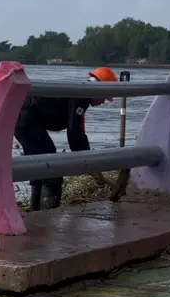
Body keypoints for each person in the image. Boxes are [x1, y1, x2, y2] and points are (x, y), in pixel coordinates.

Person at [15, 67, 116, 211]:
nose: (103, 102)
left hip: (21, 118)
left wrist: (85, 157)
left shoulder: (80, 94)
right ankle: (46, 217)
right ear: (98, 89)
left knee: (39, 168)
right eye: (105, 98)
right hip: (26, 119)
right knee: (52, 170)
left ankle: (35, 214)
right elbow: (74, 133)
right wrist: (87, 161)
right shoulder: (81, 96)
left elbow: (77, 131)